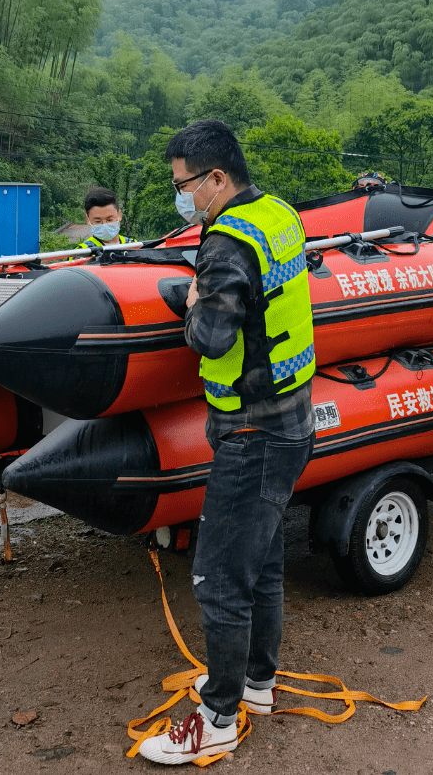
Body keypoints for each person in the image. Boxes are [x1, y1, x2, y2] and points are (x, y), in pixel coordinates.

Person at [138, 120, 315, 765]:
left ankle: (216, 719)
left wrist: (191, 299)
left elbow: (211, 339)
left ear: (216, 178)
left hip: (252, 431)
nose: (182, 198)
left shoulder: (226, 242)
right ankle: (257, 685)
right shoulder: (278, 215)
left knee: (218, 580)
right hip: (292, 418)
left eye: (185, 185)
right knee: (261, 564)